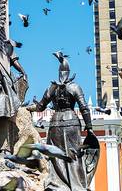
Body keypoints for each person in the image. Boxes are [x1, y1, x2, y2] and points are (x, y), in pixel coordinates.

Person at [28, 57, 98, 191]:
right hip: (71, 123)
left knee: (55, 155)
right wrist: (89, 127)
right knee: (74, 154)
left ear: (59, 73)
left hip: (55, 123)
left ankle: (57, 184)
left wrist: (27, 108)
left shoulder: (51, 88)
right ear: (69, 72)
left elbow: (40, 107)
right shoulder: (75, 87)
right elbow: (83, 107)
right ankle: (76, 185)